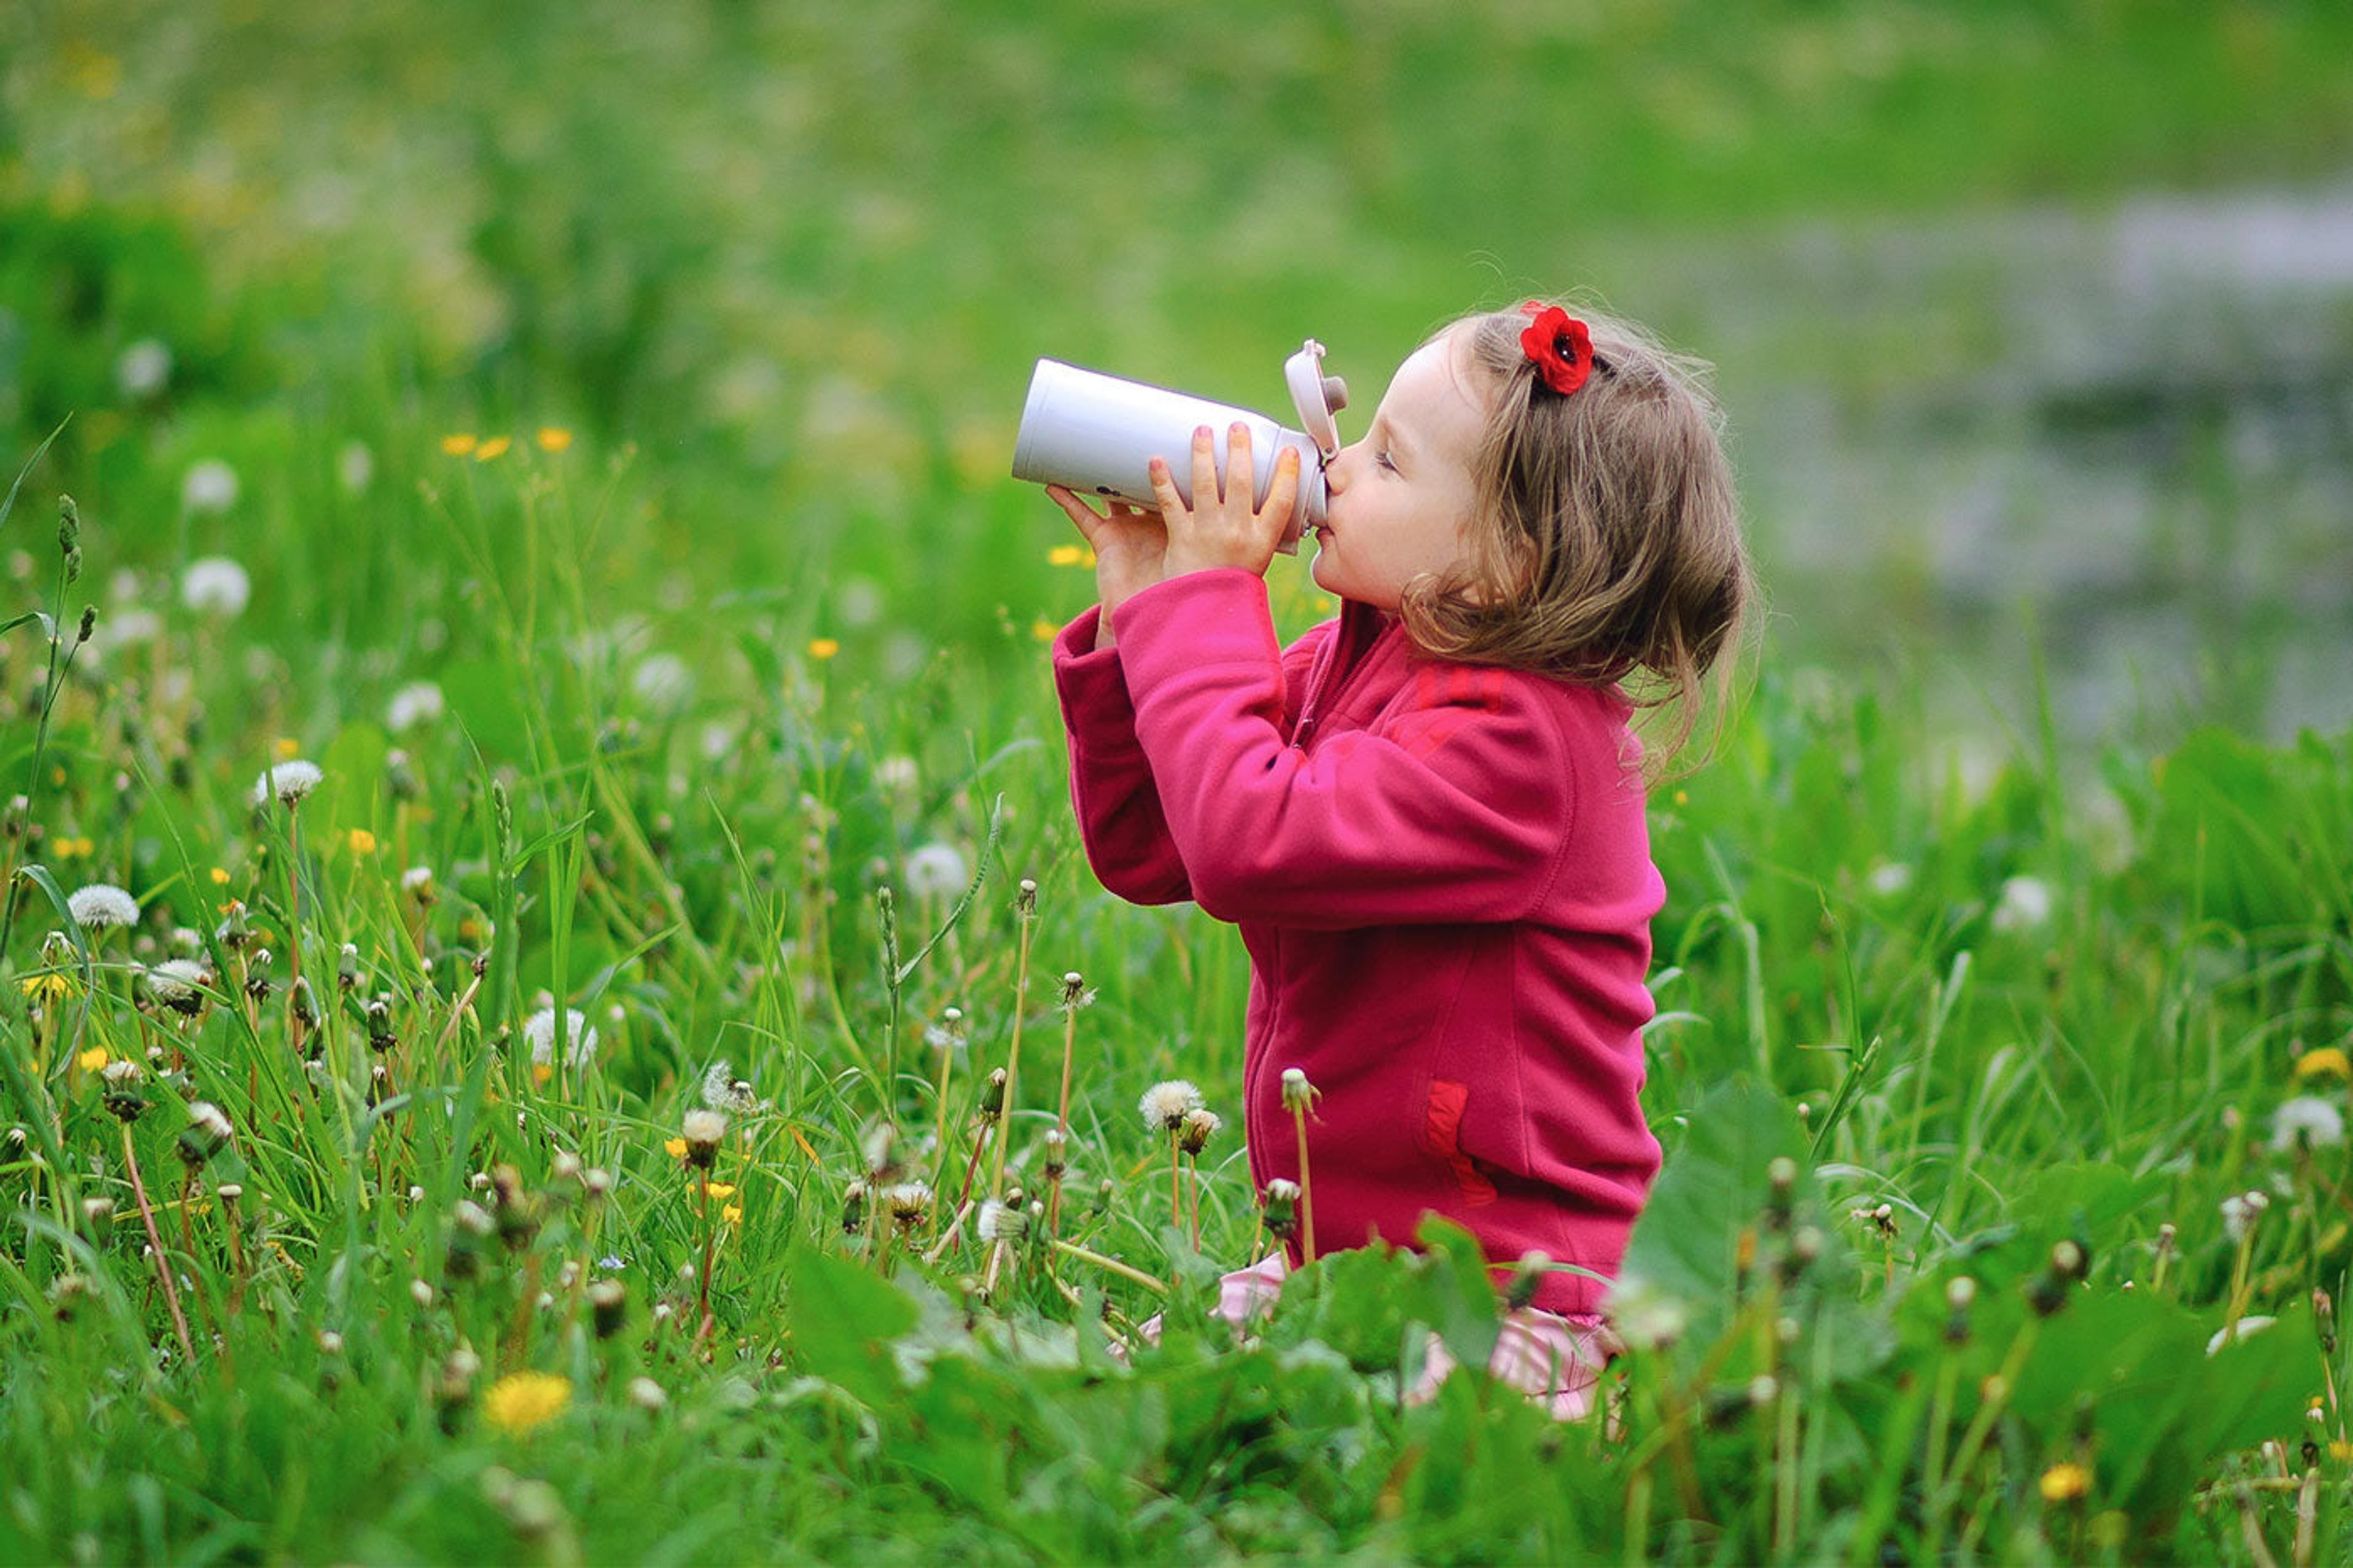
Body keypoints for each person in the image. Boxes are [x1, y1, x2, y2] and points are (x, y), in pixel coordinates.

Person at [1044, 300, 1751, 1417]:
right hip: (1349, 1265)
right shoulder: (1365, 659)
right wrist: (1143, 611)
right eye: (1354, 435)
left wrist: (1209, 602)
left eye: (1387, 459)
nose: (1336, 465)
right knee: (1143, 1393)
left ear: (1503, 564)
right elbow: (1158, 845)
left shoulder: (1523, 748)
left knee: (1429, 1438)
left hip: (1515, 1283)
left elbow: (1245, 843)